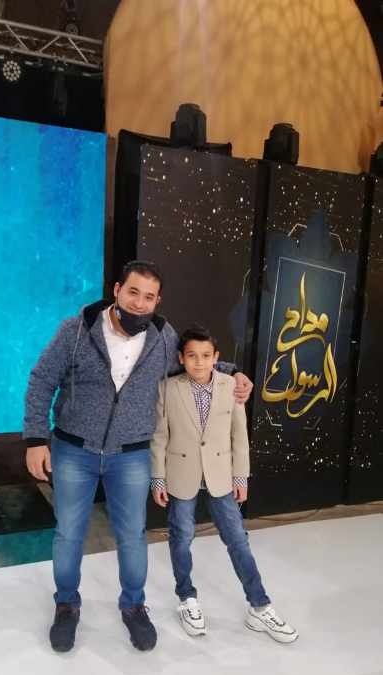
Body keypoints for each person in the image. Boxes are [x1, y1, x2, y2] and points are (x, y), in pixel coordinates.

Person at [23, 261, 253, 653]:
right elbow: (42, 380)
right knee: (69, 533)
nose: (140, 303)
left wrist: (234, 374)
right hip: (73, 449)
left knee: (132, 536)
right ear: (117, 290)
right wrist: (35, 439)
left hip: (130, 455)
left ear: (157, 301)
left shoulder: (163, 338)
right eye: (133, 292)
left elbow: (190, 363)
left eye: (149, 297)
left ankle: (133, 606)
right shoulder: (76, 330)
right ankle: (67, 605)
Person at [151, 325, 298, 643]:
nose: (199, 362)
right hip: (181, 474)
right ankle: (186, 598)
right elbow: (159, 437)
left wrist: (241, 476)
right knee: (181, 538)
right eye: (192, 356)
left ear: (216, 357)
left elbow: (239, 436)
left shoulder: (231, 385)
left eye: (206, 356)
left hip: (221, 476)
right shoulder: (167, 388)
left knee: (238, 540)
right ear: (181, 358)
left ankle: (260, 605)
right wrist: (158, 477)